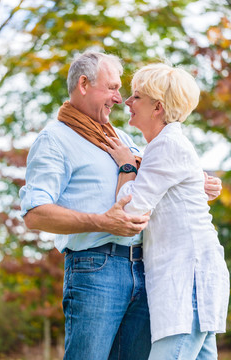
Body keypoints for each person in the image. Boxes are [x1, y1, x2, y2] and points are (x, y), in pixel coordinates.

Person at [19, 51, 222, 360]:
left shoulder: (124, 139)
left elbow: (161, 178)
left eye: (128, 92)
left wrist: (198, 182)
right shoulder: (55, 140)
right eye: (112, 87)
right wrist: (101, 222)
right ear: (84, 84)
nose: (120, 98)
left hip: (147, 270)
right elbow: (34, 215)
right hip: (97, 268)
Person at [105, 62, 230, 360]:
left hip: (187, 283)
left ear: (157, 107)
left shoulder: (167, 146)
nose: (127, 102)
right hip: (189, 279)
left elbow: (132, 208)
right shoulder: (161, 147)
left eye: (136, 97)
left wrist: (125, 167)